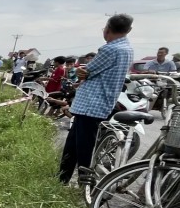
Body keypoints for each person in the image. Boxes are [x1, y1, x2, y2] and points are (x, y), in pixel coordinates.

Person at [58, 14, 135, 185]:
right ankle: (61, 179)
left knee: (84, 148)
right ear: (129, 30)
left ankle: (85, 186)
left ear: (107, 29)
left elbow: (86, 71)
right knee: (73, 144)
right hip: (97, 104)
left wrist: (83, 71)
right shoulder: (127, 49)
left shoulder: (110, 49)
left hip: (92, 104)